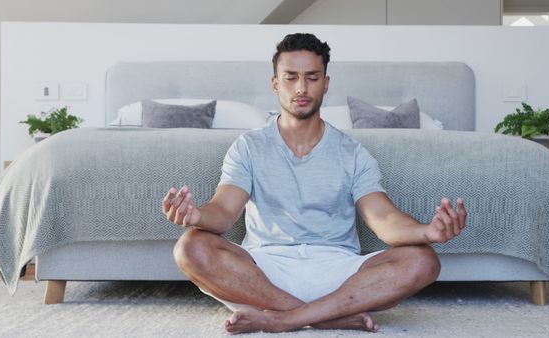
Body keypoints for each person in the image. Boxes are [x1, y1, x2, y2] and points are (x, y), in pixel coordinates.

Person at [162, 33, 467, 334]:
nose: (301, 88)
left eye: (312, 77)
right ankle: (325, 316)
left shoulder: (352, 152)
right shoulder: (249, 146)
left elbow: (384, 218)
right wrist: (197, 216)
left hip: (337, 270)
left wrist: (427, 232)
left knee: (423, 259)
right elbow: (223, 210)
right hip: (263, 270)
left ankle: (284, 318)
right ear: (275, 83)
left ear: (326, 83)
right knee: (190, 246)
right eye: (291, 77)